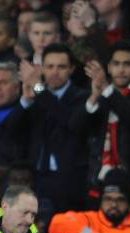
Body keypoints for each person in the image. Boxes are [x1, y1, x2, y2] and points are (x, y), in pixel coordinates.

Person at [73, 41, 130, 217]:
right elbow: (76, 127)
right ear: (109, 67)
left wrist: (107, 89)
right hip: (98, 181)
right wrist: (95, 97)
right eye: (116, 64)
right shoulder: (100, 93)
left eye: (127, 64)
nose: (121, 69)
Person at [19, 43, 89, 213]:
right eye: (50, 66)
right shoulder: (36, 95)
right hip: (37, 177)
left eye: (61, 67)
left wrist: (37, 86)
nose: (55, 72)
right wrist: (26, 101)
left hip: (69, 179)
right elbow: (13, 131)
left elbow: (68, 120)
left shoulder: (82, 96)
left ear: (71, 69)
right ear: (42, 68)